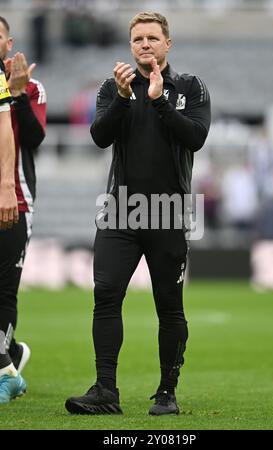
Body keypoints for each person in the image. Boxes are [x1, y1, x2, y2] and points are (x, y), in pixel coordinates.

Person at [65, 11, 211, 416]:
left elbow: (195, 137)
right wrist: (125, 99)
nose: (144, 45)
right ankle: (105, 391)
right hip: (119, 213)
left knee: (169, 304)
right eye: (137, 40)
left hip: (169, 212)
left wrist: (160, 101)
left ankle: (167, 391)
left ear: (167, 44)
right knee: (106, 296)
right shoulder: (116, 88)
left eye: (151, 38)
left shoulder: (190, 87)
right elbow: (99, 137)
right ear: (130, 46)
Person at [0, 16, 47, 403]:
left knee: (4, 290)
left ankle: (6, 365)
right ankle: (10, 356)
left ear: (8, 42)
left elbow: (35, 138)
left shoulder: (32, 86)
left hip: (15, 199)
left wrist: (16, 96)